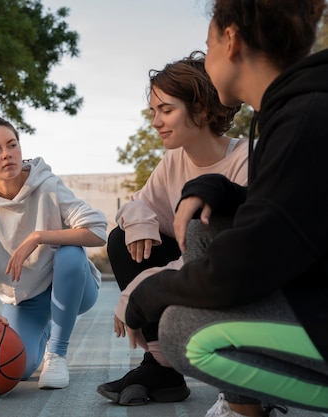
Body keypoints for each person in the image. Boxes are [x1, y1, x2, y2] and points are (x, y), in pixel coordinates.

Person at [124, 1, 328, 416]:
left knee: (183, 333)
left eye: (208, 44)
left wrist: (146, 293)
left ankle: (249, 403)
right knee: (207, 223)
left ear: (231, 41)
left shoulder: (306, 117)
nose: (206, 57)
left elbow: (241, 267)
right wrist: (214, 187)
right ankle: (244, 409)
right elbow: (283, 213)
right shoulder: (289, 111)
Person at [97, 51, 248, 406]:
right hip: (193, 272)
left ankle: (246, 377)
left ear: (200, 108)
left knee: (195, 241)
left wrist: (139, 290)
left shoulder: (245, 160)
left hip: (236, 284)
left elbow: (223, 257)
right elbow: (139, 203)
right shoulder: (173, 160)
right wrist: (139, 221)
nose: (155, 122)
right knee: (122, 241)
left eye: (166, 110)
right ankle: (162, 368)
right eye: (153, 112)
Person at [0, 116, 107, 389]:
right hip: (25, 300)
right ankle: (44, 329)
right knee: (15, 369)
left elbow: (97, 229)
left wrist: (39, 237)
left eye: (12, 145)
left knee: (70, 252)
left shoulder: (48, 186)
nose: (7, 155)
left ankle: (57, 353)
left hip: (74, 287)